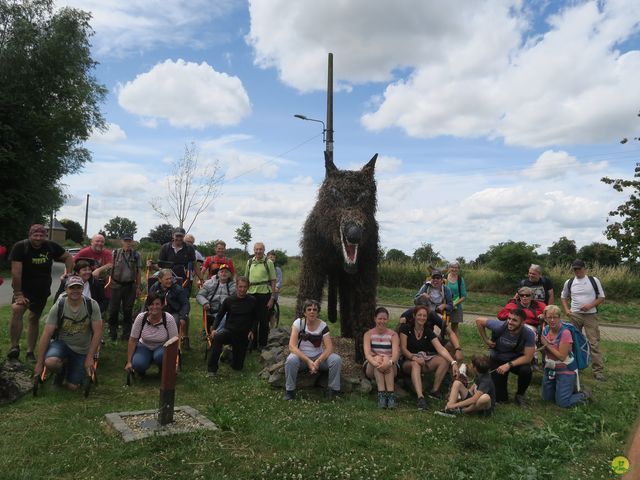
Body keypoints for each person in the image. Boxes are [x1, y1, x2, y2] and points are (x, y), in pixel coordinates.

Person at [7, 224, 73, 361]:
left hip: (42, 290)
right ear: (30, 235)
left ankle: (30, 352)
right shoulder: (20, 247)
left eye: (41, 235)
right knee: (17, 310)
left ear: (45, 236)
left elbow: (68, 257)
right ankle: (14, 347)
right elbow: (16, 272)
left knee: (33, 318)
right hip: (24, 289)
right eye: (35, 235)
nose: (38, 238)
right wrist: (18, 293)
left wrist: (68, 273)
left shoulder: (50, 246)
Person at [33, 275, 103, 390]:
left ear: (82, 289)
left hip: (82, 349)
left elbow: (98, 332)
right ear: (66, 289)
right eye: (72, 288)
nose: (75, 291)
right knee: (50, 362)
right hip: (62, 344)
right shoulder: (59, 306)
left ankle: (70, 369)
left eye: (78, 287)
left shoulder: (92, 305)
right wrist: (40, 363)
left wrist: (90, 357)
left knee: (72, 387)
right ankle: (60, 372)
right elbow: (46, 334)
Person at [400, 304, 459, 410]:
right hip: (409, 361)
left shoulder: (427, 331)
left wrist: (453, 362)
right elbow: (403, 349)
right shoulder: (406, 328)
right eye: (419, 315)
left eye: (424, 316)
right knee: (415, 364)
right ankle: (420, 398)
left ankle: (434, 390)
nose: (422, 318)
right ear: (414, 316)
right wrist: (414, 358)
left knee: (444, 360)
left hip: (424, 359)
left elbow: (440, 348)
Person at [284, 299, 342, 400]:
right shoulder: (298, 323)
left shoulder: (323, 325)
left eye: (315, 309)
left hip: (318, 358)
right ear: (304, 312)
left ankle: (333, 391)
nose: (312, 311)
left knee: (336, 359)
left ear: (318, 312)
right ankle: (290, 391)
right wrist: (308, 361)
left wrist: (318, 361)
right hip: (302, 358)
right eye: (309, 309)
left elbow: (329, 348)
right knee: (291, 360)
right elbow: (292, 346)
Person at [476, 308, 535, 406]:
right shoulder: (499, 326)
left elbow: (528, 358)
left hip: (515, 360)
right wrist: (486, 340)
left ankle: (520, 395)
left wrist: (508, 365)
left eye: (514, 320)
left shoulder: (528, 333)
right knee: (500, 399)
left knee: (526, 370)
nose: (510, 322)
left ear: (522, 322)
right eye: (509, 318)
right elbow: (479, 321)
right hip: (498, 359)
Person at [561, 259, 606, 381]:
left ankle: (598, 371)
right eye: (575, 269)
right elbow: (563, 297)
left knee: (593, 343)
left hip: (590, 315)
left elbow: (601, 297)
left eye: (579, 269)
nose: (577, 271)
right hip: (575, 315)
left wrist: (590, 305)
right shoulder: (569, 282)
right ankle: (575, 367)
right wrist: (566, 310)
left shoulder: (593, 280)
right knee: (574, 342)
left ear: (585, 268)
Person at [540, 305, 590, 408]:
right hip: (550, 368)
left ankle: (584, 394)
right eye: (549, 317)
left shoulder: (565, 332)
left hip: (565, 369)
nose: (552, 320)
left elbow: (562, 357)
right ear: (545, 318)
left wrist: (546, 344)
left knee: (562, 403)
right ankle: (563, 390)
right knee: (546, 399)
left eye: (555, 317)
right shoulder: (545, 330)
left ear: (560, 317)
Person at [207, 277, 257, 376]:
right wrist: (214, 329)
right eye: (240, 287)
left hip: (243, 335)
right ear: (236, 287)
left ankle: (228, 354)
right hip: (229, 331)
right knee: (217, 337)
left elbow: (255, 318)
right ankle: (212, 369)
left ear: (248, 287)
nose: (242, 289)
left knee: (237, 367)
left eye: (245, 287)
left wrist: (252, 330)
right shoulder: (229, 300)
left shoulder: (252, 300)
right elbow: (219, 316)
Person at [124, 293, 179, 376]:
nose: (154, 307)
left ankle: (163, 369)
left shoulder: (168, 318)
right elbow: (133, 340)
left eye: (157, 304)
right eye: (151, 304)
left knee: (159, 356)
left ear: (162, 305)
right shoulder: (141, 318)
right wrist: (128, 362)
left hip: (162, 346)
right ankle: (141, 369)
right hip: (144, 345)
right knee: (138, 363)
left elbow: (174, 341)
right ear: (147, 306)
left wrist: (174, 362)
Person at [398, 301, 464, 363]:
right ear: (414, 313)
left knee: (451, 345)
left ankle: (447, 367)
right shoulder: (407, 314)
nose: (422, 317)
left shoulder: (433, 315)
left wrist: (458, 349)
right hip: (411, 343)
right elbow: (398, 331)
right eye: (419, 314)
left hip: (429, 341)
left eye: (425, 315)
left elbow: (451, 333)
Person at [106, 233, 142, 340]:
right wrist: (109, 282)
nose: (128, 243)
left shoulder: (136, 255)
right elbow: (110, 269)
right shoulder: (115, 253)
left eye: (129, 241)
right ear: (122, 242)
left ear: (132, 242)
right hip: (116, 285)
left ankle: (126, 334)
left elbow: (139, 272)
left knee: (128, 310)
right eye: (126, 241)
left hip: (130, 286)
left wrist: (138, 287)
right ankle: (112, 333)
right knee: (113, 310)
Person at [363, 307, 400, 409]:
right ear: (375, 319)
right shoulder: (368, 334)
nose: (382, 321)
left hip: (391, 365)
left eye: (384, 319)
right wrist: (377, 363)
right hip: (372, 366)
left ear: (388, 320)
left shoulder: (393, 335)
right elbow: (367, 354)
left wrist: (388, 362)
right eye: (380, 318)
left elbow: (396, 354)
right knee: (378, 359)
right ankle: (382, 396)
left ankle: (390, 396)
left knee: (387, 359)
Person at [245, 242, 277, 350]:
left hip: (264, 294)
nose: (258, 251)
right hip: (251, 293)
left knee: (263, 320)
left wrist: (272, 298)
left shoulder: (268, 262)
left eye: (260, 249)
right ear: (253, 250)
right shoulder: (249, 262)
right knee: (251, 319)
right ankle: (252, 344)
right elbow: (246, 279)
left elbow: (273, 280)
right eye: (256, 249)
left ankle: (262, 344)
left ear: (264, 250)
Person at [148, 269, 190, 341]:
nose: (170, 281)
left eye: (171, 278)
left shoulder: (178, 289)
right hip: (158, 312)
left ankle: (174, 343)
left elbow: (185, 303)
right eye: (167, 279)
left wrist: (183, 316)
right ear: (160, 280)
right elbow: (148, 302)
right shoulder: (154, 288)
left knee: (174, 321)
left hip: (173, 312)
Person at [196, 264, 236, 332]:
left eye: (226, 272)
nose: (224, 273)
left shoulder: (234, 286)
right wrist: (205, 303)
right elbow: (199, 296)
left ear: (229, 274)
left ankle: (216, 333)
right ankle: (217, 333)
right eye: (222, 271)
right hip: (211, 310)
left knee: (226, 316)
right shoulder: (209, 283)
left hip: (226, 312)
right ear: (218, 273)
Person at [446, 261, 467, 333]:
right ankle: (441, 342)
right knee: (443, 325)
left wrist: (454, 304)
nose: (454, 269)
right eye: (452, 267)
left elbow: (464, 296)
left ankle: (453, 343)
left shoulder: (460, 280)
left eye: (456, 267)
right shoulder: (444, 278)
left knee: (454, 328)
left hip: (457, 306)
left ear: (458, 269)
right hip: (445, 306)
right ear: (449, 268)